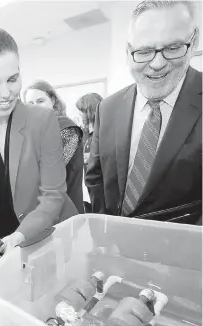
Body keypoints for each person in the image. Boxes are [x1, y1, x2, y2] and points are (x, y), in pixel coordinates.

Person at [0, 27, 78, 262]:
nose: (6, 93)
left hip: (45, 236)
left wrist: (18, 237)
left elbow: (53, 196)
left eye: (12, 79)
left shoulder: (43, 120)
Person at [86, 0, 202, 224]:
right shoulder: (108, 108)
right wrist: (107, 233)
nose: (157, 63)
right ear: (128, 51)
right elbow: (96, 179)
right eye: (145, 51)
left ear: (193, 41)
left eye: (173, 48)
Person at [24, 80, 84, 213]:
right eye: (30, 103)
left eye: (40, 101)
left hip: (65, 209)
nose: (35, 106)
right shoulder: (34, 131)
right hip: (39, 209)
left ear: (53, 101)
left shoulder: (66, 128)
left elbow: (46, 170)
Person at [75, 93, 103, 172]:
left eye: (82, 111)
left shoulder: (105, 132)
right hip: (89, 180)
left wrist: (92, 158)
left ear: (91, 111)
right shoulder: (84, 133)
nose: (80, 115)